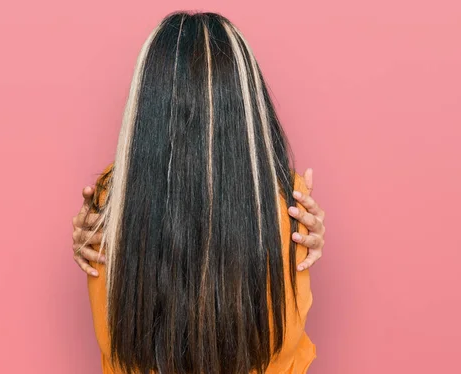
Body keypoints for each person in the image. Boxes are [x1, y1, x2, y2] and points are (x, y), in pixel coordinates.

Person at [71, 11, 326, 374]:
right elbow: (284, 351)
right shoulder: (287, 202)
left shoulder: (112, 200)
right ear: (244, 104)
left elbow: (118, 345)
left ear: (148, 106)